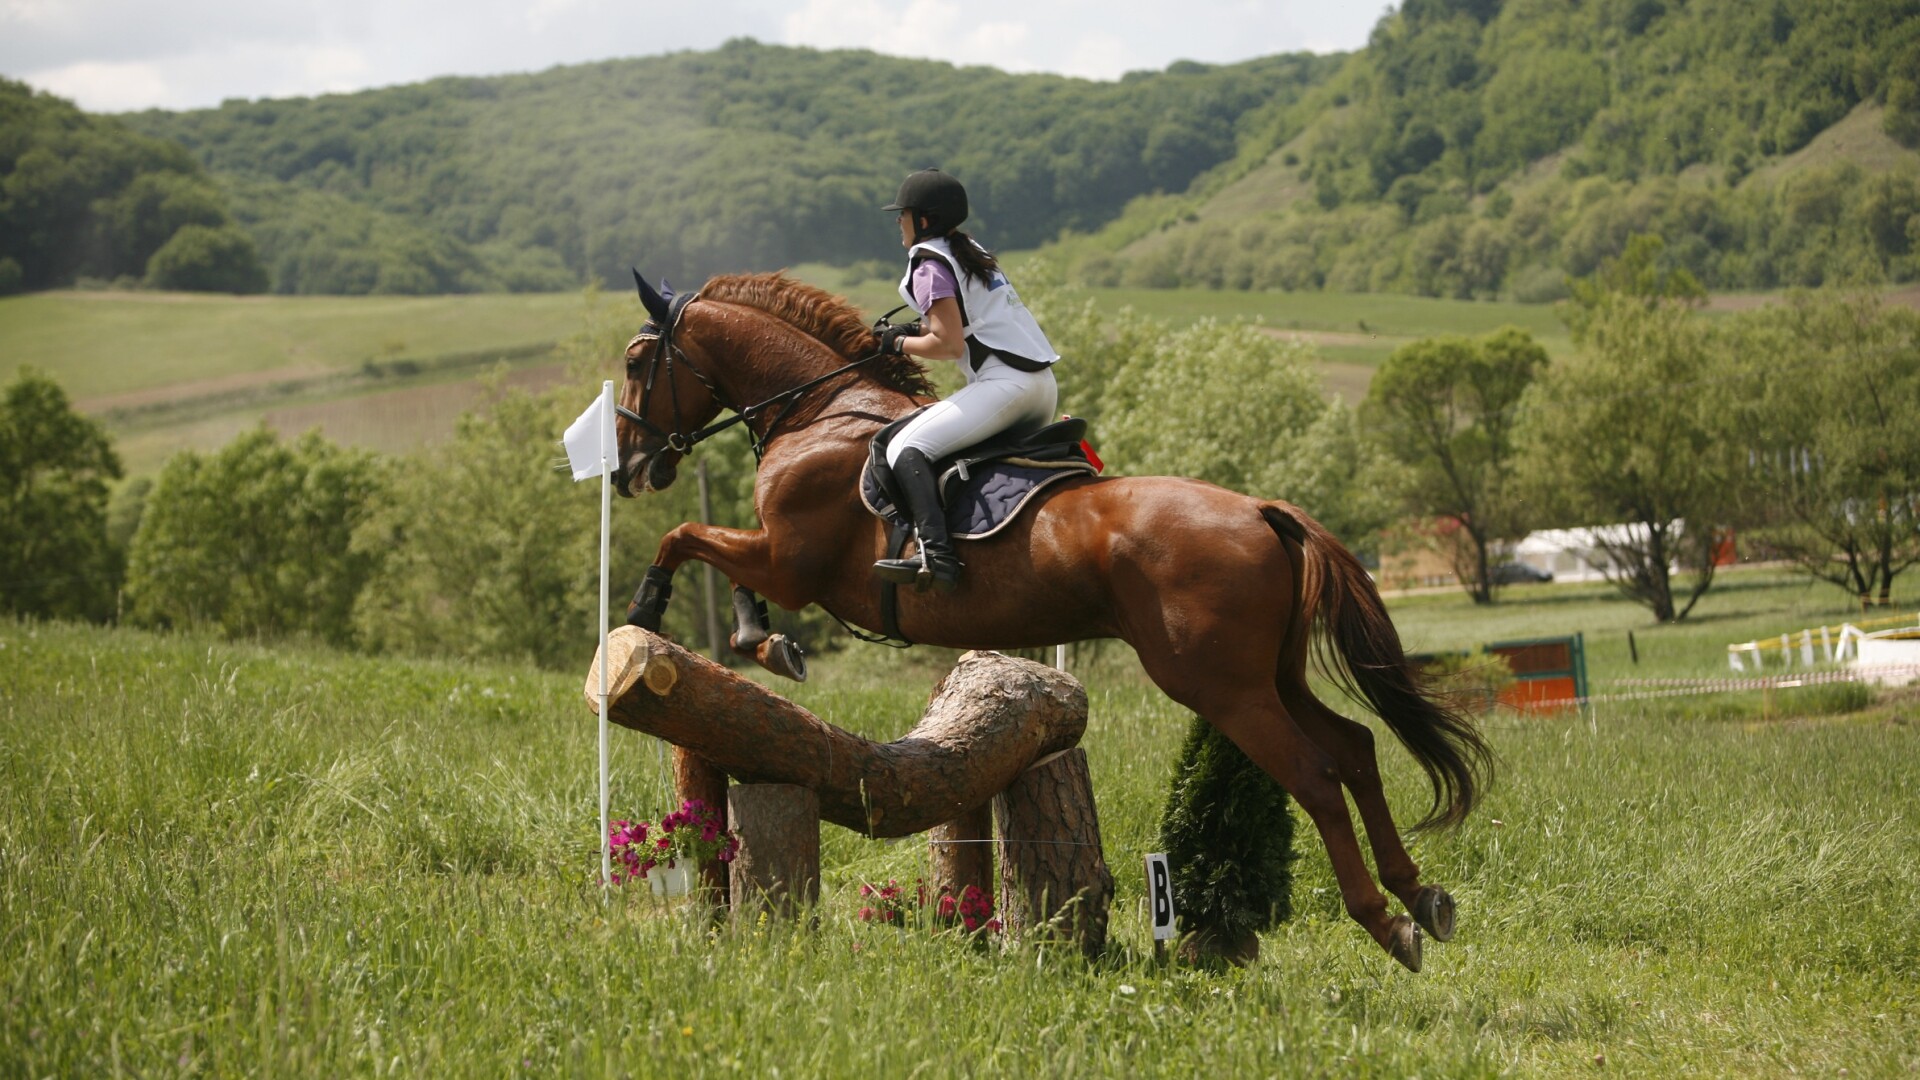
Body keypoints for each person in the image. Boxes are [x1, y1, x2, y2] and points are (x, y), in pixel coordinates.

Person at [870, 168, 1061, 592]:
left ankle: (935, 554)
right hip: (1040, 386)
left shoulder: (929, 263)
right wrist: (910, 333)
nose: (897, 221)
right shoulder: (967, 249)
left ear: (923, 220)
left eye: (903, 214)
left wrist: (897, 345)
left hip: (1006, 385)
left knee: (905, 447)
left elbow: (948, 344)